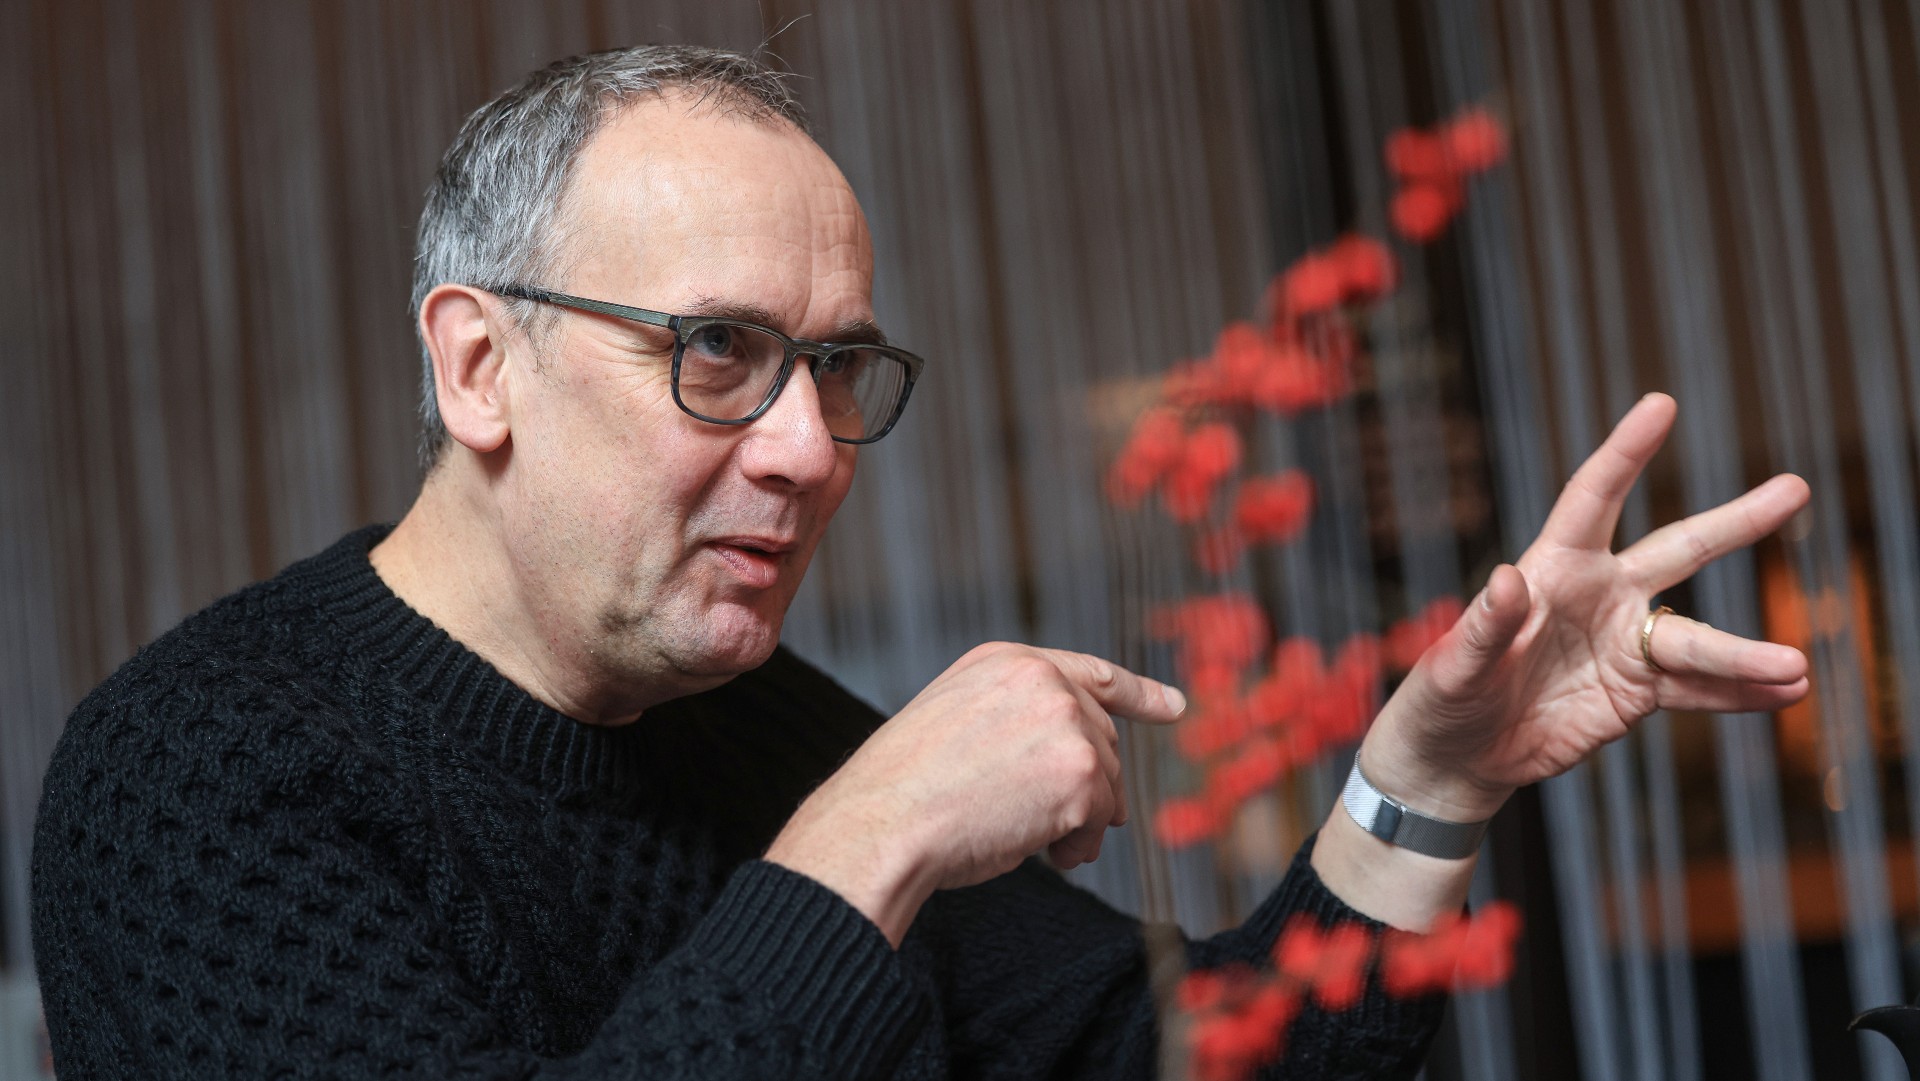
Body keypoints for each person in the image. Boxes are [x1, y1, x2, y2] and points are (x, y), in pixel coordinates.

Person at [30, 45, 1811, 1080]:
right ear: (479, 365)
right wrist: (873, 832)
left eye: (835, 369)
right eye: (718, 352)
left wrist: (1426, 778)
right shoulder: (198, 774)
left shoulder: (756, 724)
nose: (809, 449)